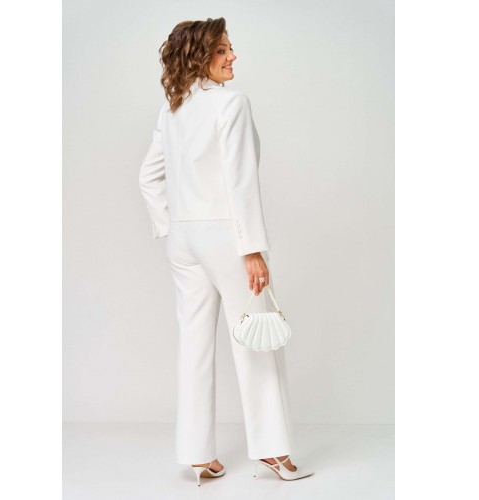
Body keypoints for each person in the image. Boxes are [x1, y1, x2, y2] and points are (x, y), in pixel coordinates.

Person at [138, 17, 313, 485]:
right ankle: (274, 451)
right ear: (199, 56)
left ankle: (197, 455)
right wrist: (252, 249)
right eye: (222, 50)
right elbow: (240, 179)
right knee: (255, 336)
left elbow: (148, 176)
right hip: (226, 238)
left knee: (193, 344)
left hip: (184, 240)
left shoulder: (171, 109)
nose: (233, 56)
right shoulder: (231, 103)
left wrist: (171, 225)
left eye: (230, 48)